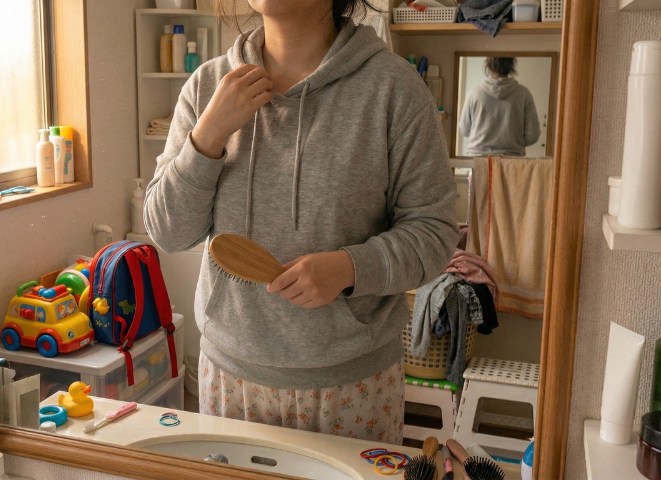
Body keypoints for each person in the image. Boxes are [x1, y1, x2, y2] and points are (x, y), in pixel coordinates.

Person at [144, 0, 459, 445]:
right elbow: (167, 231)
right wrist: (208, 135)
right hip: (229, 376)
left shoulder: (394, 89)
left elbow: (434, 230)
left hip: (353, 382)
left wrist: (350, 268)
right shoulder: (207, 87)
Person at [458, 57, 541, 157]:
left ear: (488, 65)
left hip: (477, 157)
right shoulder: (523, 94)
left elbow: (464, 130)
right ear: (511, 65)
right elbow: (532, 136)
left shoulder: (474, 93)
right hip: (512, 159)